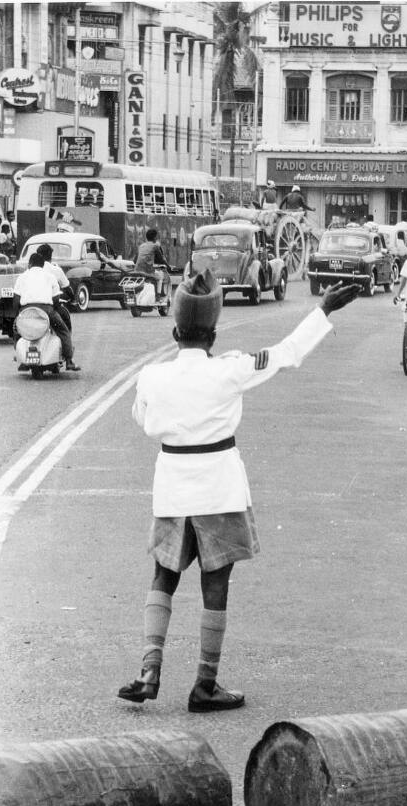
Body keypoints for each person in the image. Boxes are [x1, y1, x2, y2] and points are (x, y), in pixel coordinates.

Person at [117, 272, 359, 712]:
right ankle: (205, 684)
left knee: (163, 576)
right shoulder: (229, 370)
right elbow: (286, 355)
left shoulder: (151, 377)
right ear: (212, 334)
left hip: (172, 489)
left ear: (175, 332)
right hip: (219, 491)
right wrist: (322, 309)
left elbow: (142, 418)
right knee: (216, 584)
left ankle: (149, 669)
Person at [14, 252, 80, 371]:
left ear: (30, 264)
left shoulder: (22, 276)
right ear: (43, 265)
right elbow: (55, 299)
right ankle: (69, 361)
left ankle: (22, 359)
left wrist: (17, 316)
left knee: (17, 330)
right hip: (46, 310)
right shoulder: (50, 276)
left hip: (26, 311)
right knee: (63, 331)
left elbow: (16, 300)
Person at [135, 227, 170, 297]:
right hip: (147, 272)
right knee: (160, 276)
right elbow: (161, 260)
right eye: (156, 237)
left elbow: (136, 259)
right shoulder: (155, 246)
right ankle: (158, 296)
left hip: (137, 271)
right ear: (154, 237)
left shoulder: (141, 246)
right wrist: (168, 267)